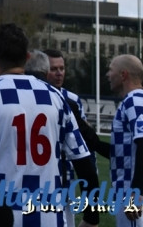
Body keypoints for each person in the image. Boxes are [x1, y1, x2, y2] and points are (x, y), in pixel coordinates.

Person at [0, 23, 100, 227]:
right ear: (27, 58)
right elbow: (84, 163)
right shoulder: (55, 97)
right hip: (49, 216)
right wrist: (92, 217)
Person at [94, 54, 143, 227]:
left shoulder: (135, 101)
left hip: (138, 192)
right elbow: (126, 152)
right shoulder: (141, 100)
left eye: (111, 70)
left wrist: (136, 192)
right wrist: (93, 141)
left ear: (123, 74)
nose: (107, 74)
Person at [43, 48, 96, 227]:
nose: (59, 73)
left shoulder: (72, 99)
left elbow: (84, 141)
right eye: (53, 69)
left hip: (66, 175)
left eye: (62, 68)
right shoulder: (35, 95)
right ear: (43, 70)